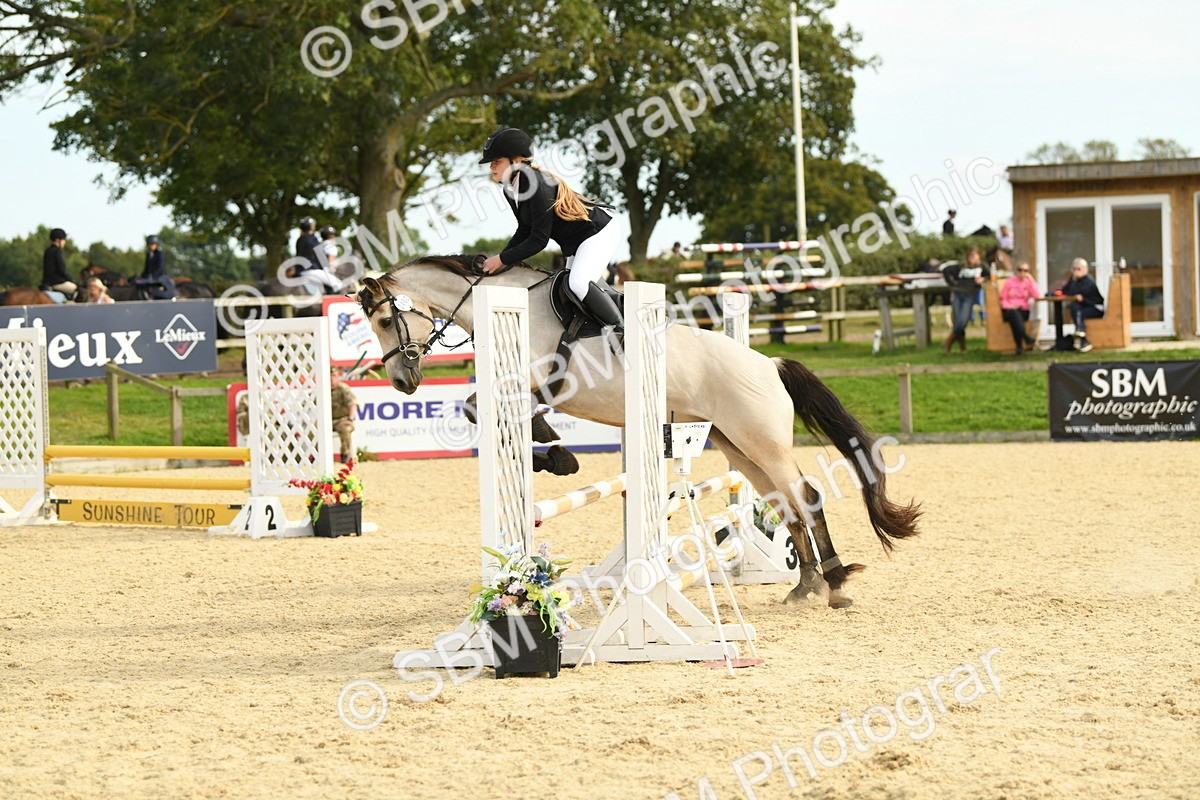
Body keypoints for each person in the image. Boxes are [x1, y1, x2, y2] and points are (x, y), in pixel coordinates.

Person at [478, 127, 623, 333]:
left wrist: (502, 259)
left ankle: (621, 331)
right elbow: (524, 230)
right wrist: (502, 258)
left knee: (578, 284)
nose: (491, 167)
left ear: (517, 161)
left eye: (496, 161)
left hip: (598, 232)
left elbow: (539, 240)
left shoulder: (536, 185)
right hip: (577, 241)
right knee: (567, 288)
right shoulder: (511, 189)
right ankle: (613, 315)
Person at [941, 246, 990, 353]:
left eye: (974, 255)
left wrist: (983, 279)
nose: (972, 257)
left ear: (979, 256)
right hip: (957, 294)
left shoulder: (982, 267)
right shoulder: (961, 266)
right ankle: (962, 348)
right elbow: (945, 270)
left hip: (970, 295)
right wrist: (952, 283)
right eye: (970, 255)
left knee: (963, 321)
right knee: (958, 321)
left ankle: (948, 341)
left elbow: (990, 275)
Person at [999, 262, 1042, 354]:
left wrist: (1032, 280)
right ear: (1016, 271)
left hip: (1023, 311)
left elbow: (1037, 295)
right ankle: (1025, 338)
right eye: (1020, 270)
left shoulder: (1028, 283)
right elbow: (1003, 299)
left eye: (1025, 270)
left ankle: (1019, 346)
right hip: (1009, 310)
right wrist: (1011, 306)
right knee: (1014, 314)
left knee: (1015, 319)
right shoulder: (1009, 282)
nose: (1022, 272)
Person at [1061, 258, 1104, 353]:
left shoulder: (1088, 280)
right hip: (1084, 306)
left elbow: (1075, 291)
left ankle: (1083, 338)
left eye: (1078, 269)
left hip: (1096, 307)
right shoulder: (1074, 279)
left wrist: (1075, 290)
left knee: (1079, 312)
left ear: (1085, 269)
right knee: (1074, 306)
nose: (1076, 271)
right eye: (1074, 269)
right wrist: (1073, 281)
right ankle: (1081, 336)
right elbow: (1065, 291)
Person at [294, 218, 340, 294]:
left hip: (299, 270)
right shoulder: (312, 239)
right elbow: (321, 257)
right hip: (311, 270)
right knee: (337, 284)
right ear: (311, 227)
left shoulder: (299, 240)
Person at [136, 235, 176, 299]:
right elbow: (147, 268)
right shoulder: (148, 255)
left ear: (157, 245)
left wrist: (153, 276)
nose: (152, 246)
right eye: (150, 244)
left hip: (159, 276)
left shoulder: (160, 254)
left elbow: (161, 268)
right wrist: (142, 276)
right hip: (150, 276)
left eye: (153, 244)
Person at [331, 368, 357, 462]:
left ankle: (345, 455)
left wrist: (350, 419)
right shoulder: (322, 390)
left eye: (333, 375)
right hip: (327, 421)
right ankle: (313, 455)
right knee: (312, 431)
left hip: (342, 420)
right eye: (329, 376)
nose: (331, 378)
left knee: (346, 429)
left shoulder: (343, 388)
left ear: (338, 377)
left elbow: (352, 404)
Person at [41, 228, 76, 298]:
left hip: (46, 282)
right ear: (58, 240)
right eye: (64, 239)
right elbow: (62, 270)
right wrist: (72, 280)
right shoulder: (58, 251)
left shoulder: (48, 250)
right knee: (79, 290)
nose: (65, 242)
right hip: (56, 282)